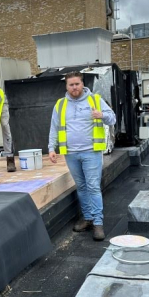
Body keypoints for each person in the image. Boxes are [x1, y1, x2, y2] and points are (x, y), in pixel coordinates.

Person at [48, 71, 116, 241]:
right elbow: (54, 127)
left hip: (91, 152)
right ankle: (87, 218)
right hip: (70, 153)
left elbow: (112, 118)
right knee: (81, 187)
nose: (74, 87)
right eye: (71, 85)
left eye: (77, 84)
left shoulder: (95, 100)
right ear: (66, 86)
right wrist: (51, 148)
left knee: (93, 187)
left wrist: (102, 115)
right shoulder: (60, 105)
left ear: (82, 84)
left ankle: (98, 223)